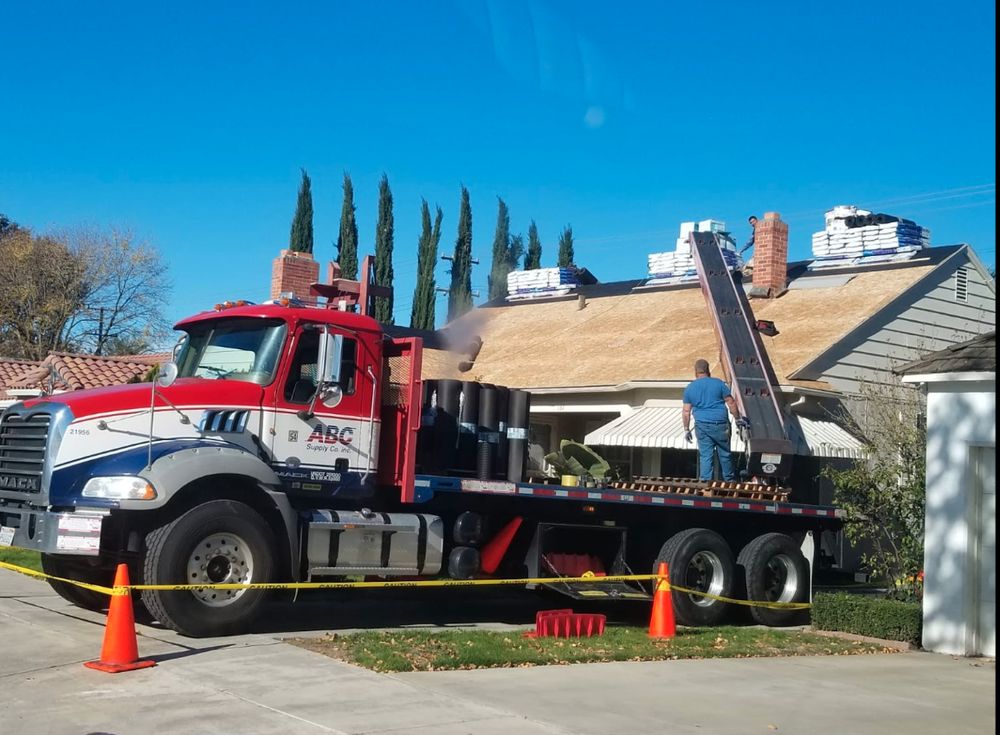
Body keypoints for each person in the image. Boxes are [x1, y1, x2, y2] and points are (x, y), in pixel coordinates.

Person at [682, 359, 748, 481]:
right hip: (721, 425)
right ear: (708, 370)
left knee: (706, 455)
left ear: (696, 372)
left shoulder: (690, 388)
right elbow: (731, 403)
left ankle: (705, 481)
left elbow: (686, 411)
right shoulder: (718, 384)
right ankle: (729, 481)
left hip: (702, 426)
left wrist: (686, 429)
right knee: (725, 454)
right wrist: (738, 418)